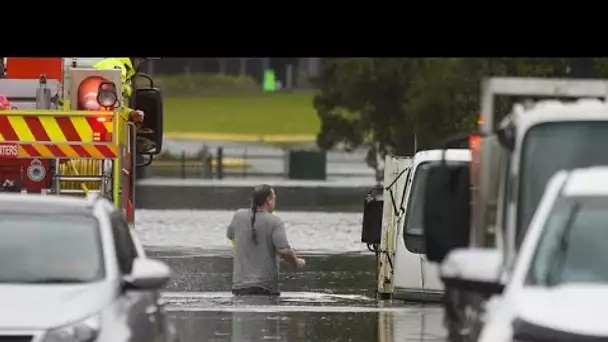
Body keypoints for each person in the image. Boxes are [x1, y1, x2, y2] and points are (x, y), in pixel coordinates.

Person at [226, 184, 305, 296]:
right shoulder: (275, 222)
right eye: (274, 198)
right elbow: (284, 251)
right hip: (265, 288)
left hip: (239, 287)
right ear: (268, 200)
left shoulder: (238, 216)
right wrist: (297, 262)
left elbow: (230, 235)